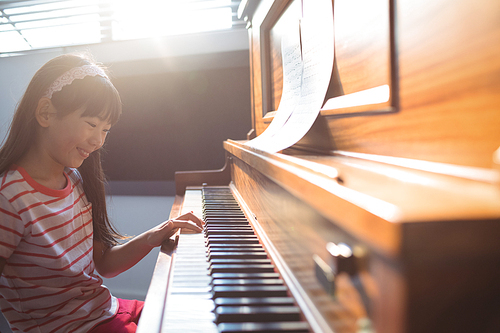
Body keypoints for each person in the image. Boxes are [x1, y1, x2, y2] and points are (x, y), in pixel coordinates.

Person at [0, 53, 204, 333]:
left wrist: (153, 236)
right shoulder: (10, 196)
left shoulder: (73, 179)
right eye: (92, 124)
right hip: (75, 328)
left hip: (105, 310)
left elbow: (104, 264)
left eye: (106, 129)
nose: (98, 141)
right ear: (46, 113)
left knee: (192, 315)